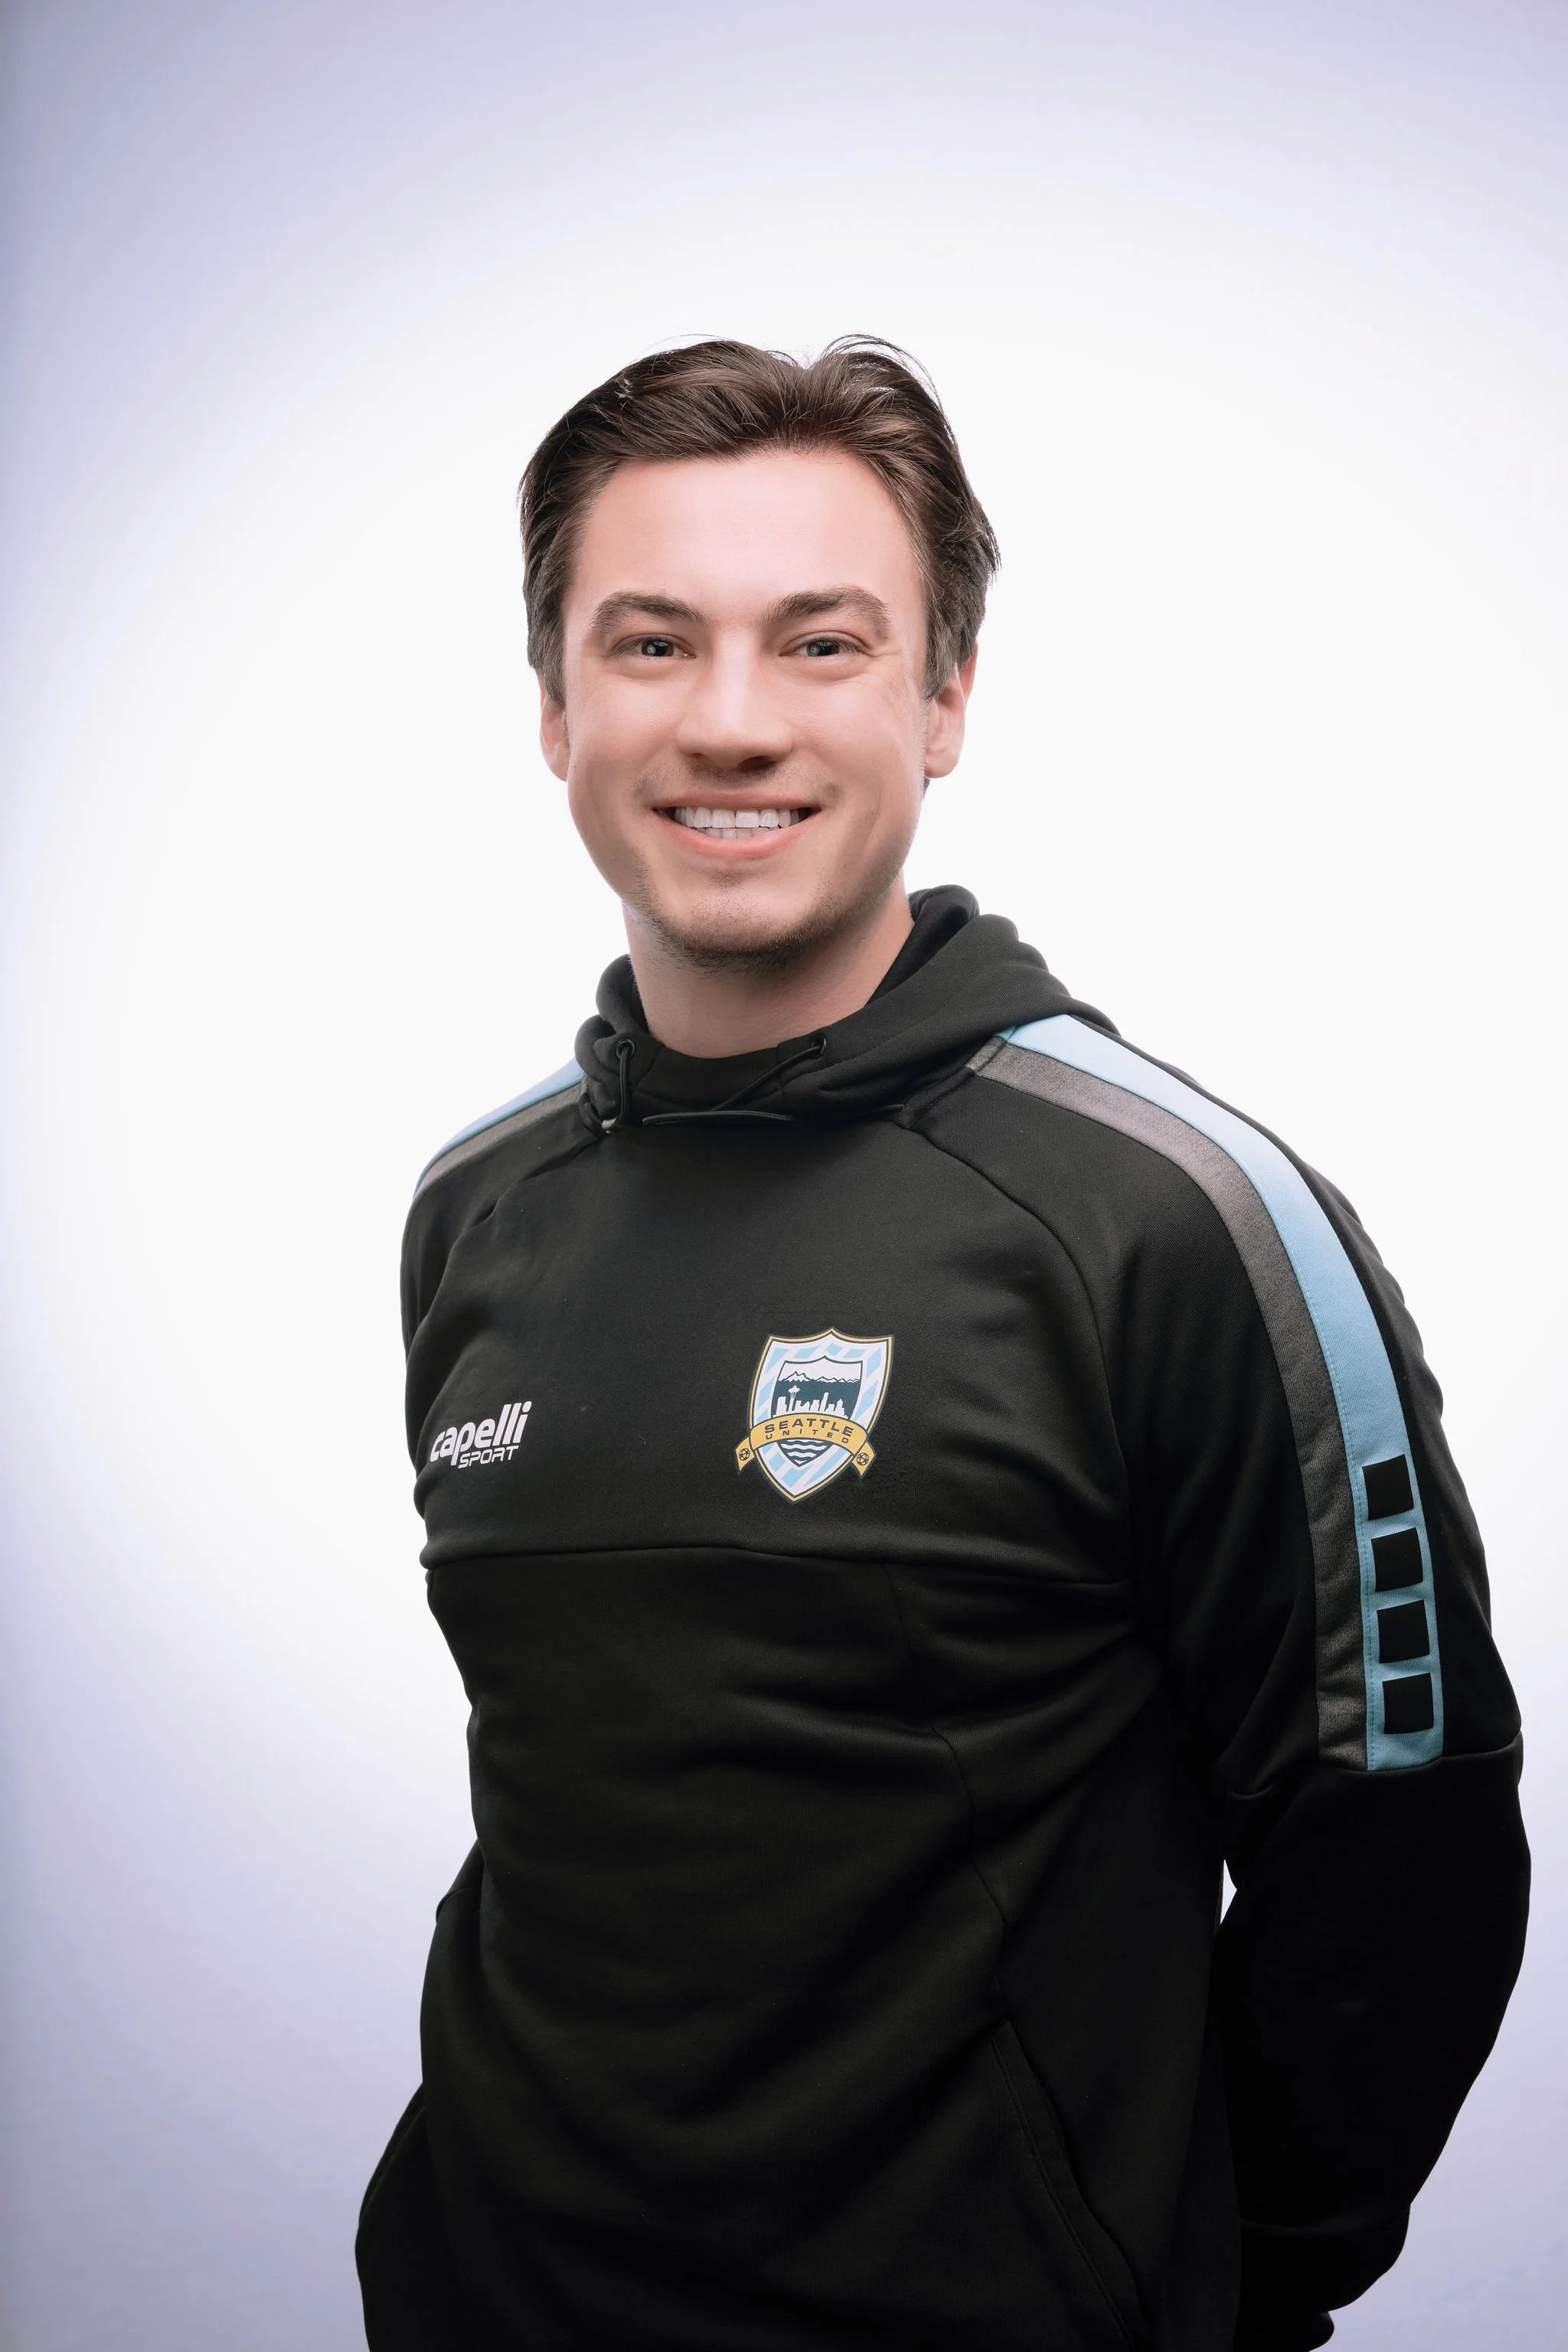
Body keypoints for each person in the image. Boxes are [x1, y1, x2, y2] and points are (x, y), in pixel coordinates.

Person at [356, 339, 1527, 2352]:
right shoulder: (483, 1211)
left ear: (945, 698)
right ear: (554, 707)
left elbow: (1399, 1845)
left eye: (821, 645)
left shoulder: (1171, 1220)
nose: (729, 723)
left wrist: (1210, 2293)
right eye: (651, 643)